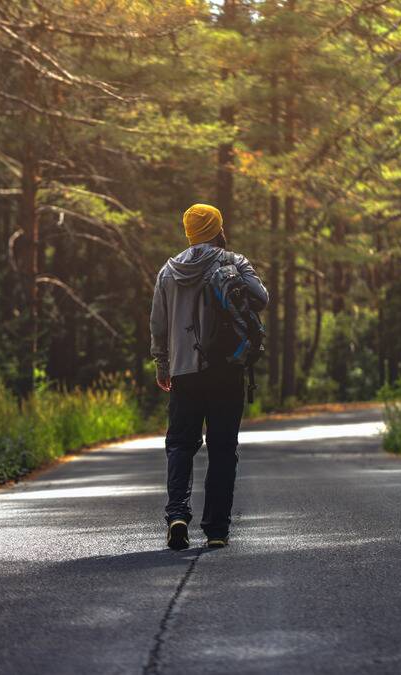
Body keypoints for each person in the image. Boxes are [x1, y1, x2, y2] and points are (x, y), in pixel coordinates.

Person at [149, 203, 269, 550]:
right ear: (218, 227)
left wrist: (162, 364)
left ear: (189, 232)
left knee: (180, 445)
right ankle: (216, 530)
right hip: (226, 368)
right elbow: (262, 298)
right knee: (222, 447)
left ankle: (177, 516)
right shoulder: (234, 261)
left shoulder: (168, 272)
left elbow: (158, 323)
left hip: (184, 371)